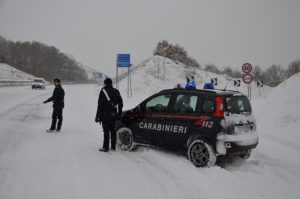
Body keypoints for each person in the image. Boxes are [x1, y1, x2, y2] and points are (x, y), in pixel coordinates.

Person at [95, 78, 123, 152]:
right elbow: (120, 103)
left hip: (105, 115)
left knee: (106, 131)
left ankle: (105, 147)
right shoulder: (116, 91)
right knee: (113, 131)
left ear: (105, 83)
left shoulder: (103, 91)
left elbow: (100, 105)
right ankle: (113, 147)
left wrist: (98, 116)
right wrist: (119, 113)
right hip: (113, 115)